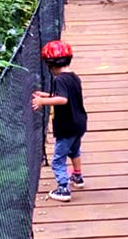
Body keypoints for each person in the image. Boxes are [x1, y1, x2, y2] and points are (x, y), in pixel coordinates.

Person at [32, 40, 87, 202]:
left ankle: (63, 189)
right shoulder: (74, 77)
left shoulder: (59, 80)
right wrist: (46, 95)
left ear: (50, 65)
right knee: (74, 151)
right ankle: (77, 177)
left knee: (57, 160)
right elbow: (67, 97)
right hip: (79, 123)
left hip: (67, 126)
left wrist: (42, 102)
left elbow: (62, 99)